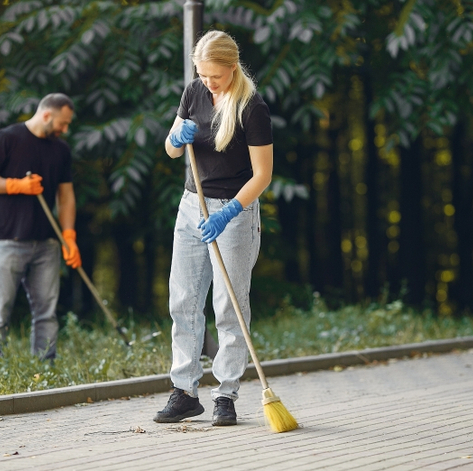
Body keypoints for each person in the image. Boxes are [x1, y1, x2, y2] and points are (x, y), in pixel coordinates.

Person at [153, 31, 273, 426]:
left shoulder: (252, 108)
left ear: (233, 68)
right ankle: (185, 391)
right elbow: (172, 149)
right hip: (191, 206)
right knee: (184, 300)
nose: (208, 83)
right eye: (202, 75)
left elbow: (262, 176)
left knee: (229, 305)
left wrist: (229, 213)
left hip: (234, 212)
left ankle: (226, 395)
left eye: (215, 77)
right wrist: (176, 136)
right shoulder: (193, 92)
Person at [0, 93, 81, 360]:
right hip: (6, 240)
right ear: (46, 115)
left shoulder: (60, 150)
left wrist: (69, 235)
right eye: (62, 123)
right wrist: (15, 185)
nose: (65, 129)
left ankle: (46, 368)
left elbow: (65, 196)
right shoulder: (6, 139)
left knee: (47, 312)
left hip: (46, 243)